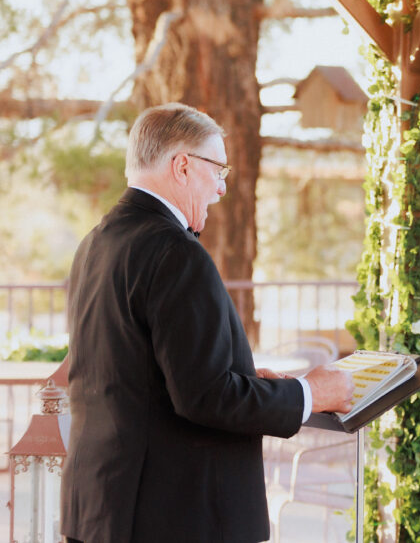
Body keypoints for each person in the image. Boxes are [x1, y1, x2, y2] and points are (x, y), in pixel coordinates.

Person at [61, 103, 355, 543]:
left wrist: (242, 378)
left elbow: (135, 374)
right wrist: (311, 392)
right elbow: (204, 397)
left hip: (101, 508)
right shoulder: (174, 251)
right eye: (218, 169)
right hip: (173, 518)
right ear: (182, 166)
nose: (221, 189)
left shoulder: (96, 243)